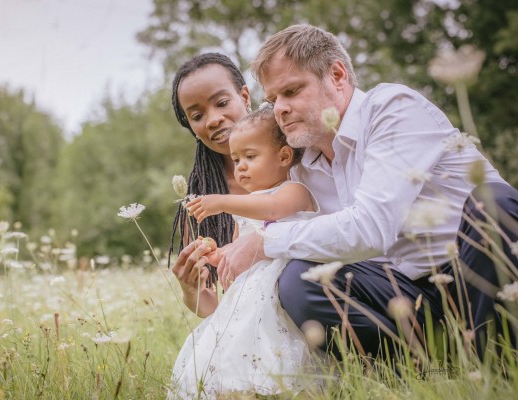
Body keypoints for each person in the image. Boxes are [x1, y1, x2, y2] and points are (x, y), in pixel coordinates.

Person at [217, 24, 518, 359]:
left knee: (494, 203)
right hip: (411, 295)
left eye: (291, 91)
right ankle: (423, 369)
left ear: (337, 75)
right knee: (299, 281)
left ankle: (496, 362)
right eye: (272, 100)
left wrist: (265, 242)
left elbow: (371, 228)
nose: (280, 109)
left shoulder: (392, 109)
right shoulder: (300, 163)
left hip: (477, 275)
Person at [169, 105, 322, 399]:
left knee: (280, 341)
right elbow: (238, 254)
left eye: (250, 157)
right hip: (249, 294)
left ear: (284, 156)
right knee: (240, 343)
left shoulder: (293, 191)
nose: (240, 167)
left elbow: (273, 210)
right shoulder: (246, 206)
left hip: (283, 287)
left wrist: (222, 202)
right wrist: (214, 254)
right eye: (237, 159)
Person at [169, 53, 251, 318]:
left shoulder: (296, 162)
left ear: (245, 97)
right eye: (197, 115)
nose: (212, 119)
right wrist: (190, 291)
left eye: (222, 102)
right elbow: (213, 310)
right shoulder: (200, 204)